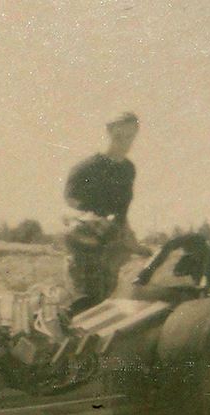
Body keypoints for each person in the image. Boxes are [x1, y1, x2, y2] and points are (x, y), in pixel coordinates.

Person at [63, 111, 151, 311]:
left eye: (130, 137)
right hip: (85, 252)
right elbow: (68, 206)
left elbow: (122, 214)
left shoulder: (128, 169)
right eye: (119, 137)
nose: (124, 143)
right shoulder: (85, 168)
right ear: (109, 132)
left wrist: (135, 245)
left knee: (112, 312)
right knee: (83, 309)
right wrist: (88, 219)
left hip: (115, 253)